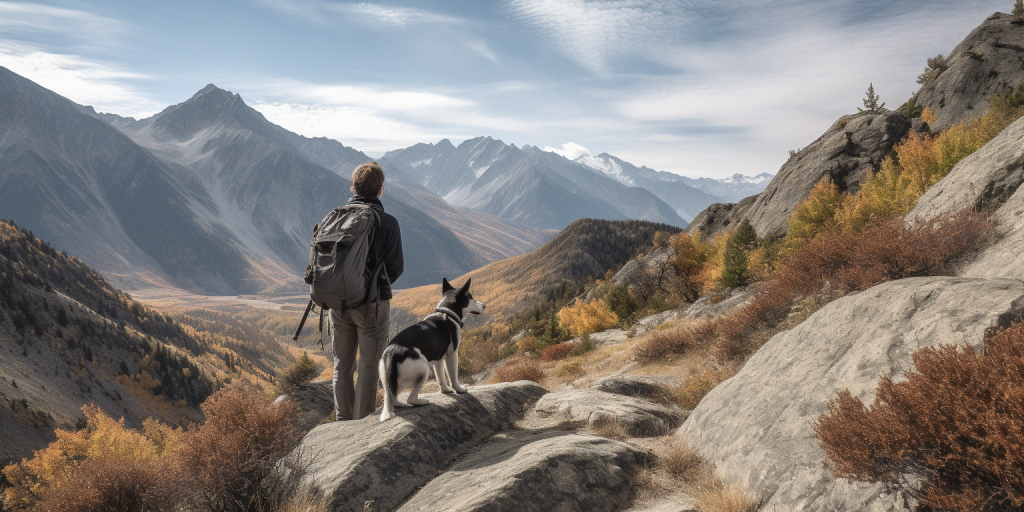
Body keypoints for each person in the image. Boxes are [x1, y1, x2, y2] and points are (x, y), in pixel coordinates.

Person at [331, 161, 403, 421]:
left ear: (354, 188)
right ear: (380, 190)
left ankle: (343, 422)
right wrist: (374, 287)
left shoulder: (336, 217)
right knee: (370, 366)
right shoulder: (388, 222)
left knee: (342, 364)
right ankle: (362, 425)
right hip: (372, 305)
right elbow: (396, 268)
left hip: (337, 303)